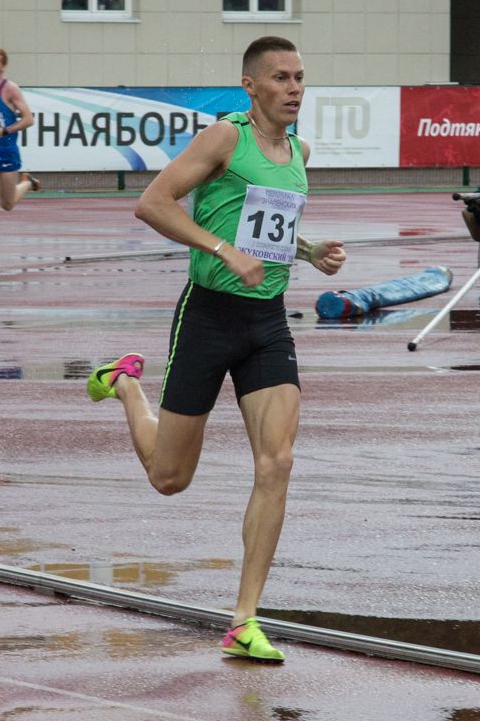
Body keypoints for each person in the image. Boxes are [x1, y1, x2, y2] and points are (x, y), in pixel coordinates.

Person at [85, 36, 347, 663]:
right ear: (250, 86)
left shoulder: (300, 151)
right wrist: (222, 250)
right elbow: (152, 203)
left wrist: (311, 251)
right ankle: (125, 382)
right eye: (280, 78)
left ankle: (244, 620)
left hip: (268, 322)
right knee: (169, 478)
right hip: (206, 317)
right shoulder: (225, 138)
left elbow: (267, 225)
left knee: (277, 462)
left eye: (300, 77)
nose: (294, 88)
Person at [0, 47, 40, 211]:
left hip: (7, 152)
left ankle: (27, 182)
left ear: (3, 66)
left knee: (7, 204)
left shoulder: (10, 88)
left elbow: (28, 119)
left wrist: (3, 131)